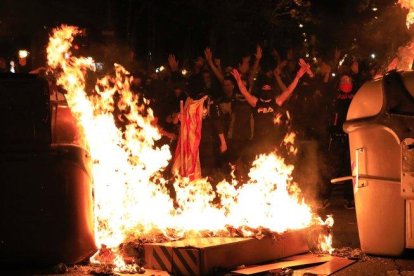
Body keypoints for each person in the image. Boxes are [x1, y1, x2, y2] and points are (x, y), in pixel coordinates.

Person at [230, 60, 309, 160]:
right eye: (264, 88)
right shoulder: (255, 102)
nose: (266, 90)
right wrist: (238, 81)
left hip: (272, 140)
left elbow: (288, 91)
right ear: (261, 89)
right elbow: (245, 92)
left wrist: (297, 77)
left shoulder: (276, 101)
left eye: (268, 88)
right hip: (257, 140)